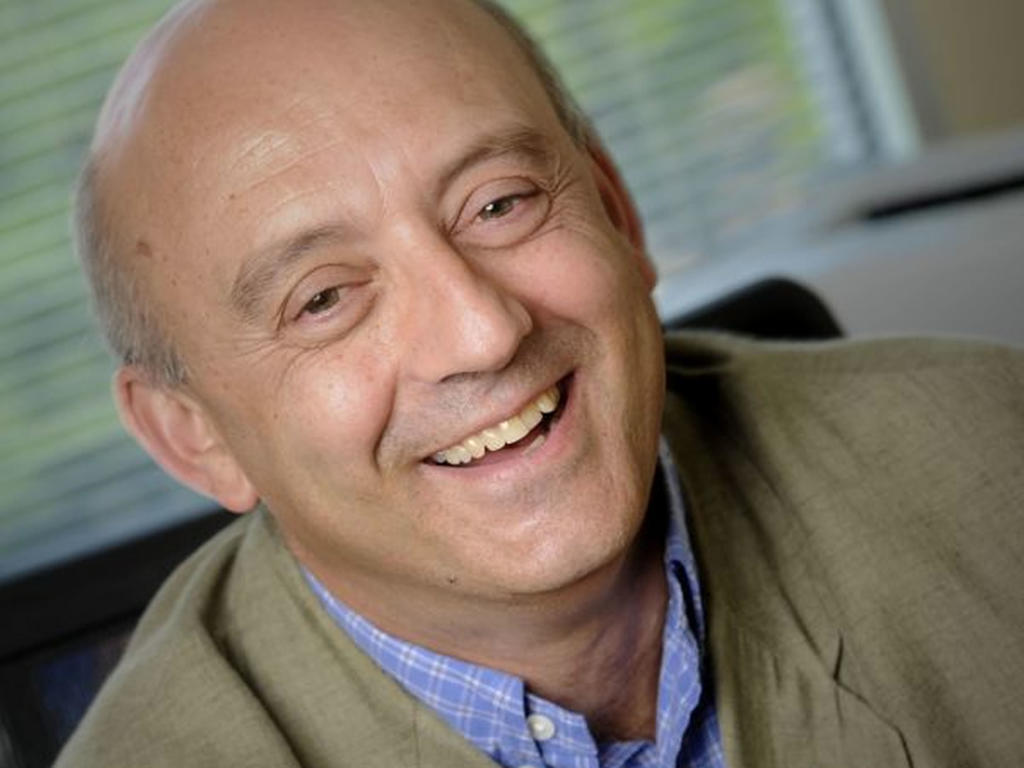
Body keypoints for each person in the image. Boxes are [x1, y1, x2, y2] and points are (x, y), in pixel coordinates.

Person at [57, 0, 1024, 766]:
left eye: (501, 203)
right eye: (323, 300)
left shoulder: (995, 446)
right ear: (195, 436)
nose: (482, 333)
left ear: (617, 215)